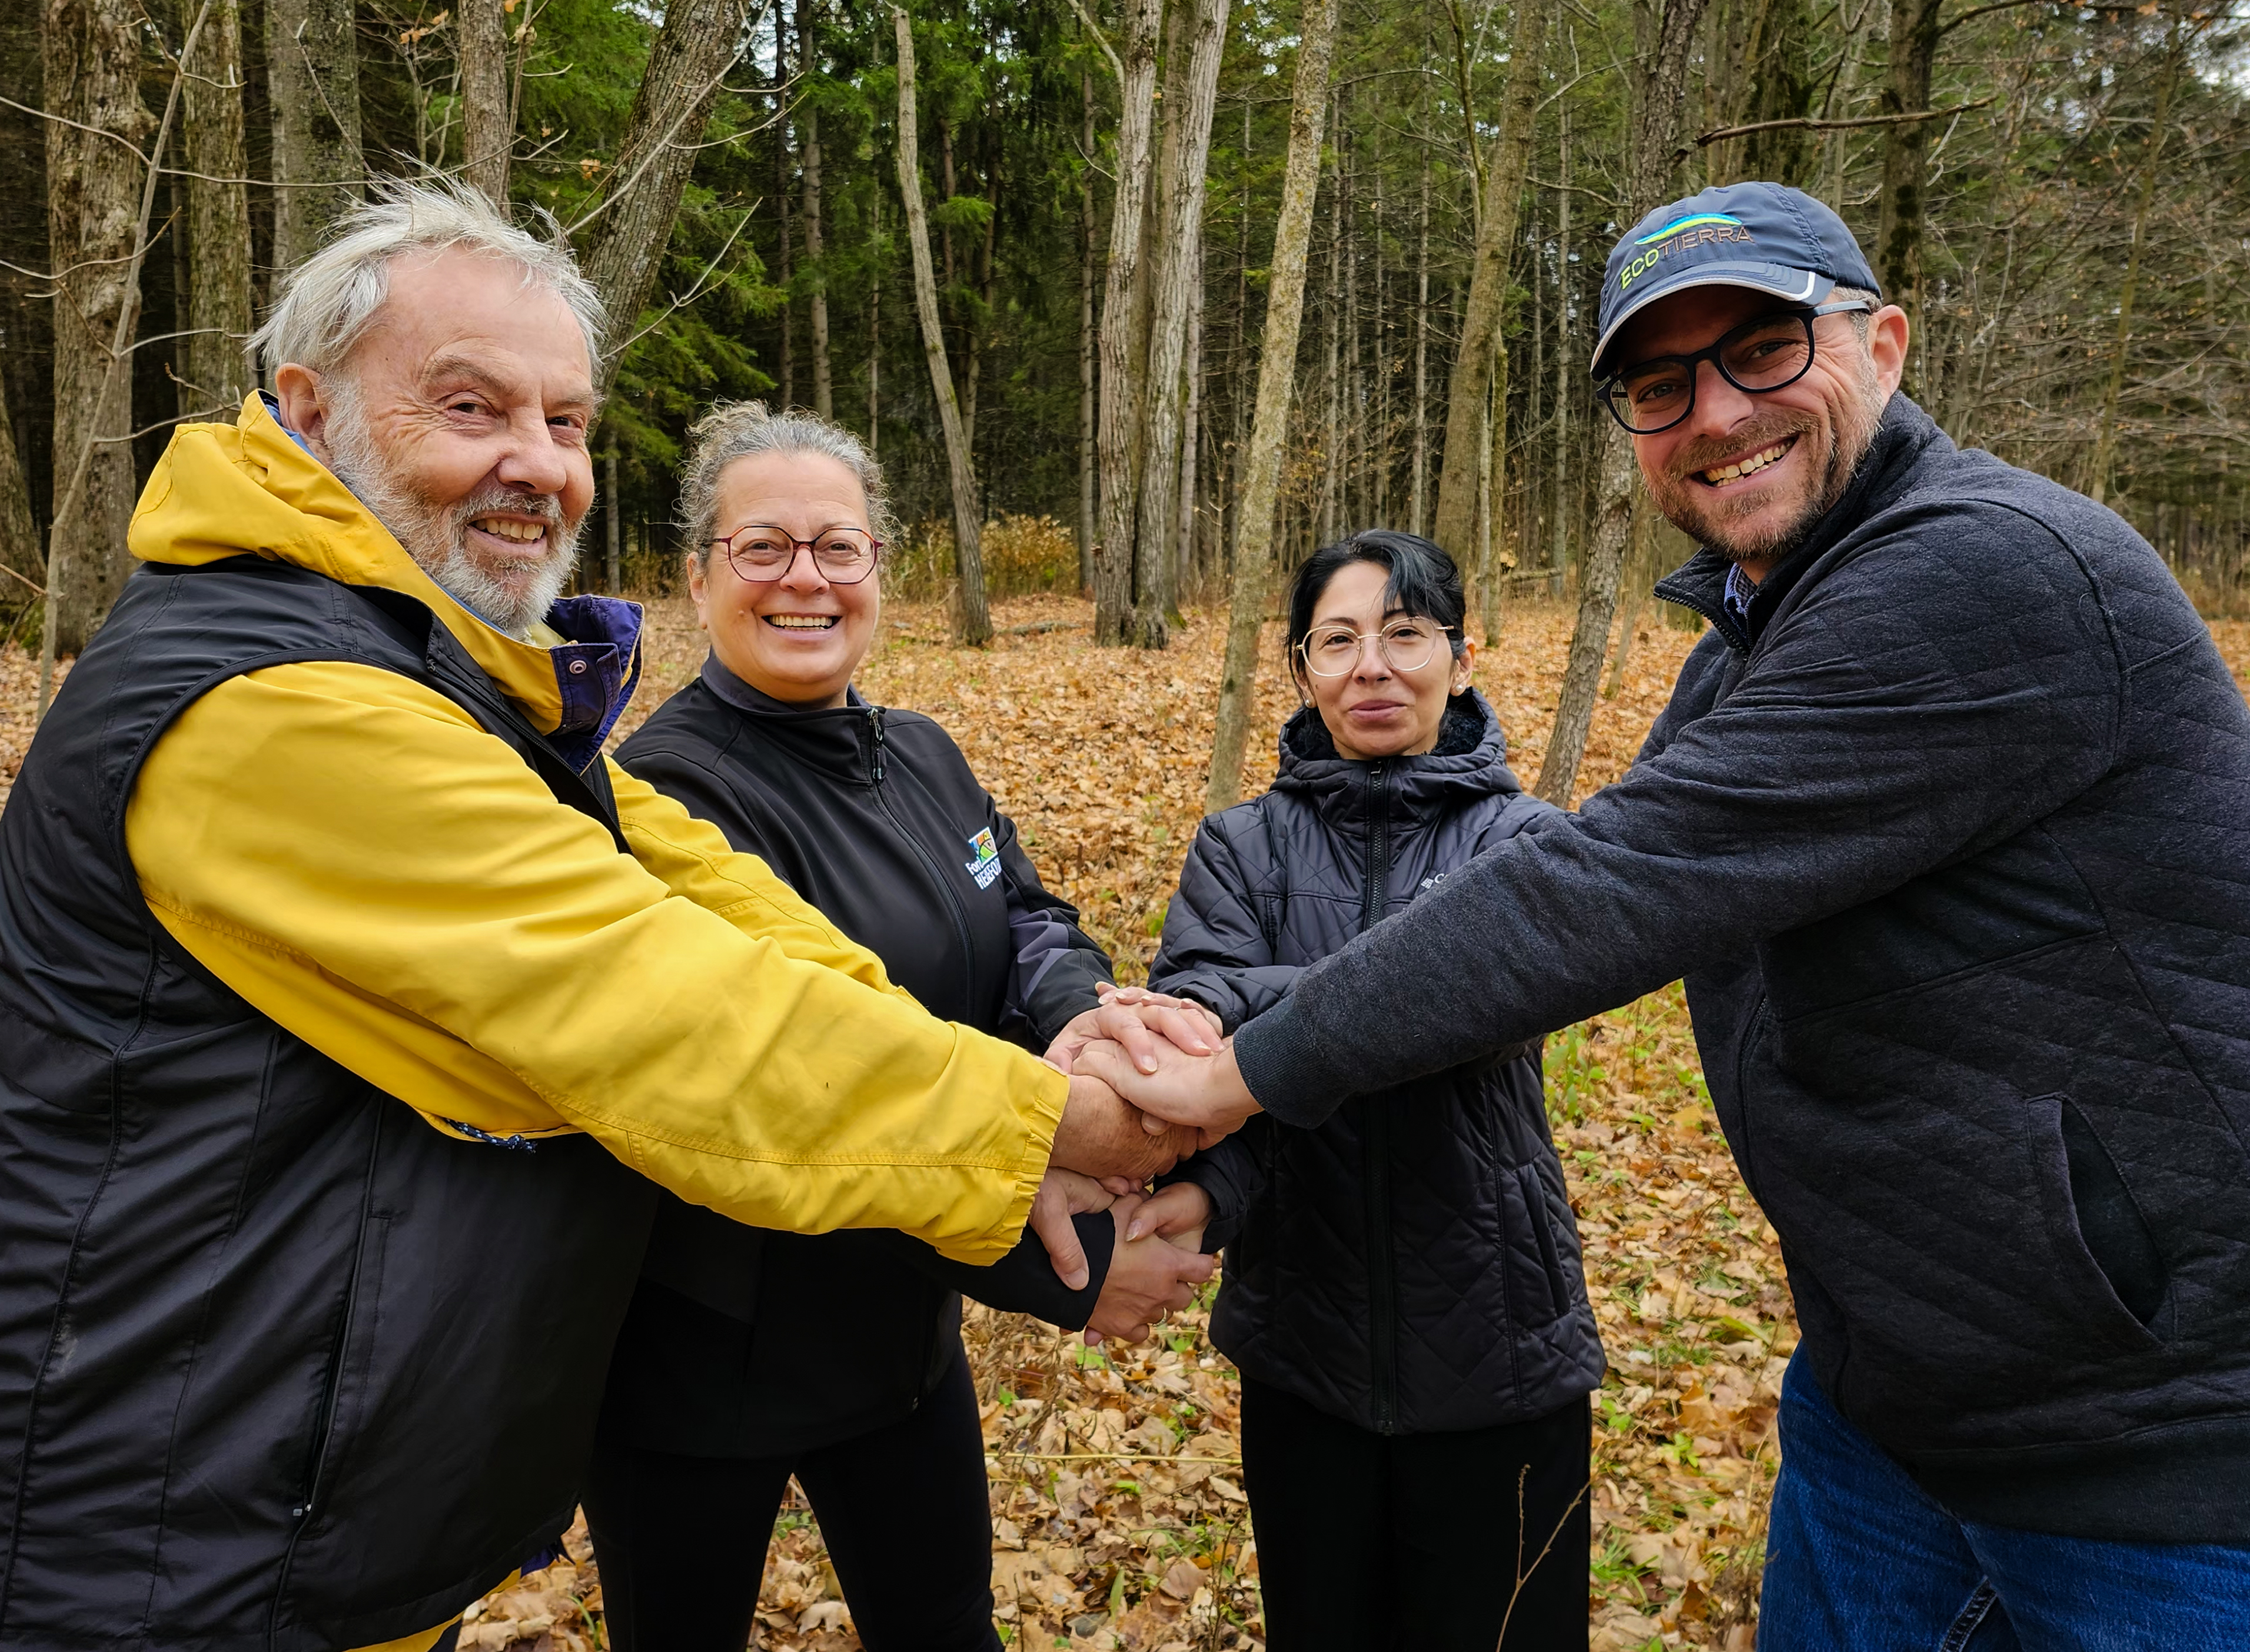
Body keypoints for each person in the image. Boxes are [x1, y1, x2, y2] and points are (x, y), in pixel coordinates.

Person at [0, 184, 1185, 1652]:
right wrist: (1043, 1129)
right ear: (305, 411)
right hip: (146, 1539)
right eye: (469, 407)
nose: (535, 465)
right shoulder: (277, 702)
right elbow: (651, 1000)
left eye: (566, 424)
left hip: (289, 1492)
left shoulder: (435, 676)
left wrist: (1043, 1063)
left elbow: (698, 888)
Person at [1081, 180, 2250, 1647]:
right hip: (1888, 1395)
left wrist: (1211, 1074)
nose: (1712, 412)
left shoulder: (1990, 570)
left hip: (2157, 1436)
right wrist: (1179, 1053)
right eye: (1657, 383)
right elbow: (1551, 911)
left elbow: (1601, 891)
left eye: (1763, 347)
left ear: (1881, 346)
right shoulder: (1746, 649)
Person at [584, 402, 1221, 1650]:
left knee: (942, 1631)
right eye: (762, 547)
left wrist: (1082, 1028)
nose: (805, 580)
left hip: (895, 1352)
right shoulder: (667, 797)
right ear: (696, 577)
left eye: (839, 547)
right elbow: (796, 1092)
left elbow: (1025, 915)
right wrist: (1053, 1272)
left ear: (881, 568)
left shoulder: (917, 752)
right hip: (701, 1358)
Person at [1117, 530, 1603, 1649]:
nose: (1371, 666)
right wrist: (1420, 984)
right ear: (1300, 670)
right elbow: (1196, 1024)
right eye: (1337, 640)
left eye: (1406, 635)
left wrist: (1277, 1008)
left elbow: (1488, 1021)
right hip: (1303, 1338)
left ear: (1461, 658)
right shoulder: (1239, 848)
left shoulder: (1525, 842)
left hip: (1501, 1338)